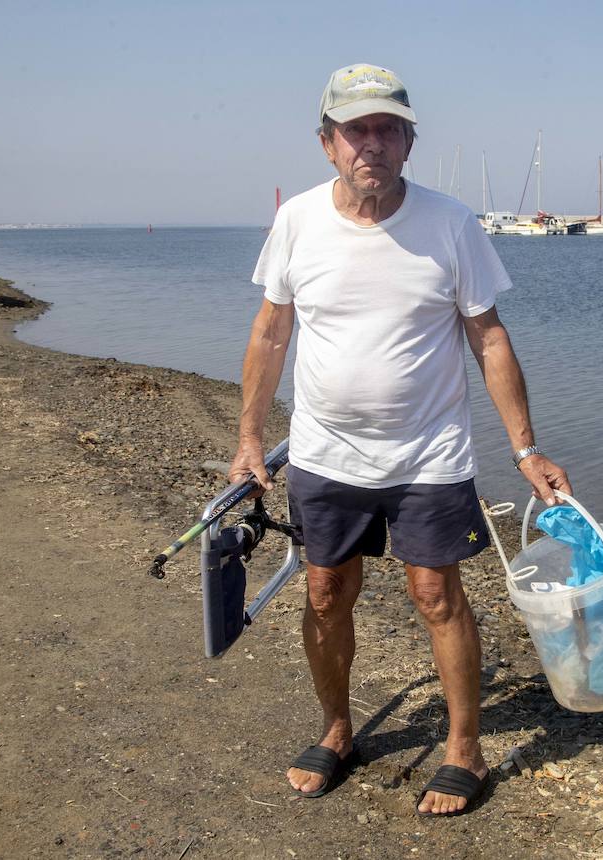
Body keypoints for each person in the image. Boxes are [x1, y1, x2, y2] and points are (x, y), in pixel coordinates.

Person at [229, 63, 570, 817]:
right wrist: (251, 439)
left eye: (388, 130)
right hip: (323, 453)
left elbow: (489, 339)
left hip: (429, 455)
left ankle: (464, 750)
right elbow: (270, 332)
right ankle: (338, 731)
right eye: (357, 130)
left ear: (409, 143)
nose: (372, 145)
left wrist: (526, 450)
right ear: (327, 144)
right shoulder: (297, 223)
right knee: (324, 592)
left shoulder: (451, 224)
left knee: (436, 594)